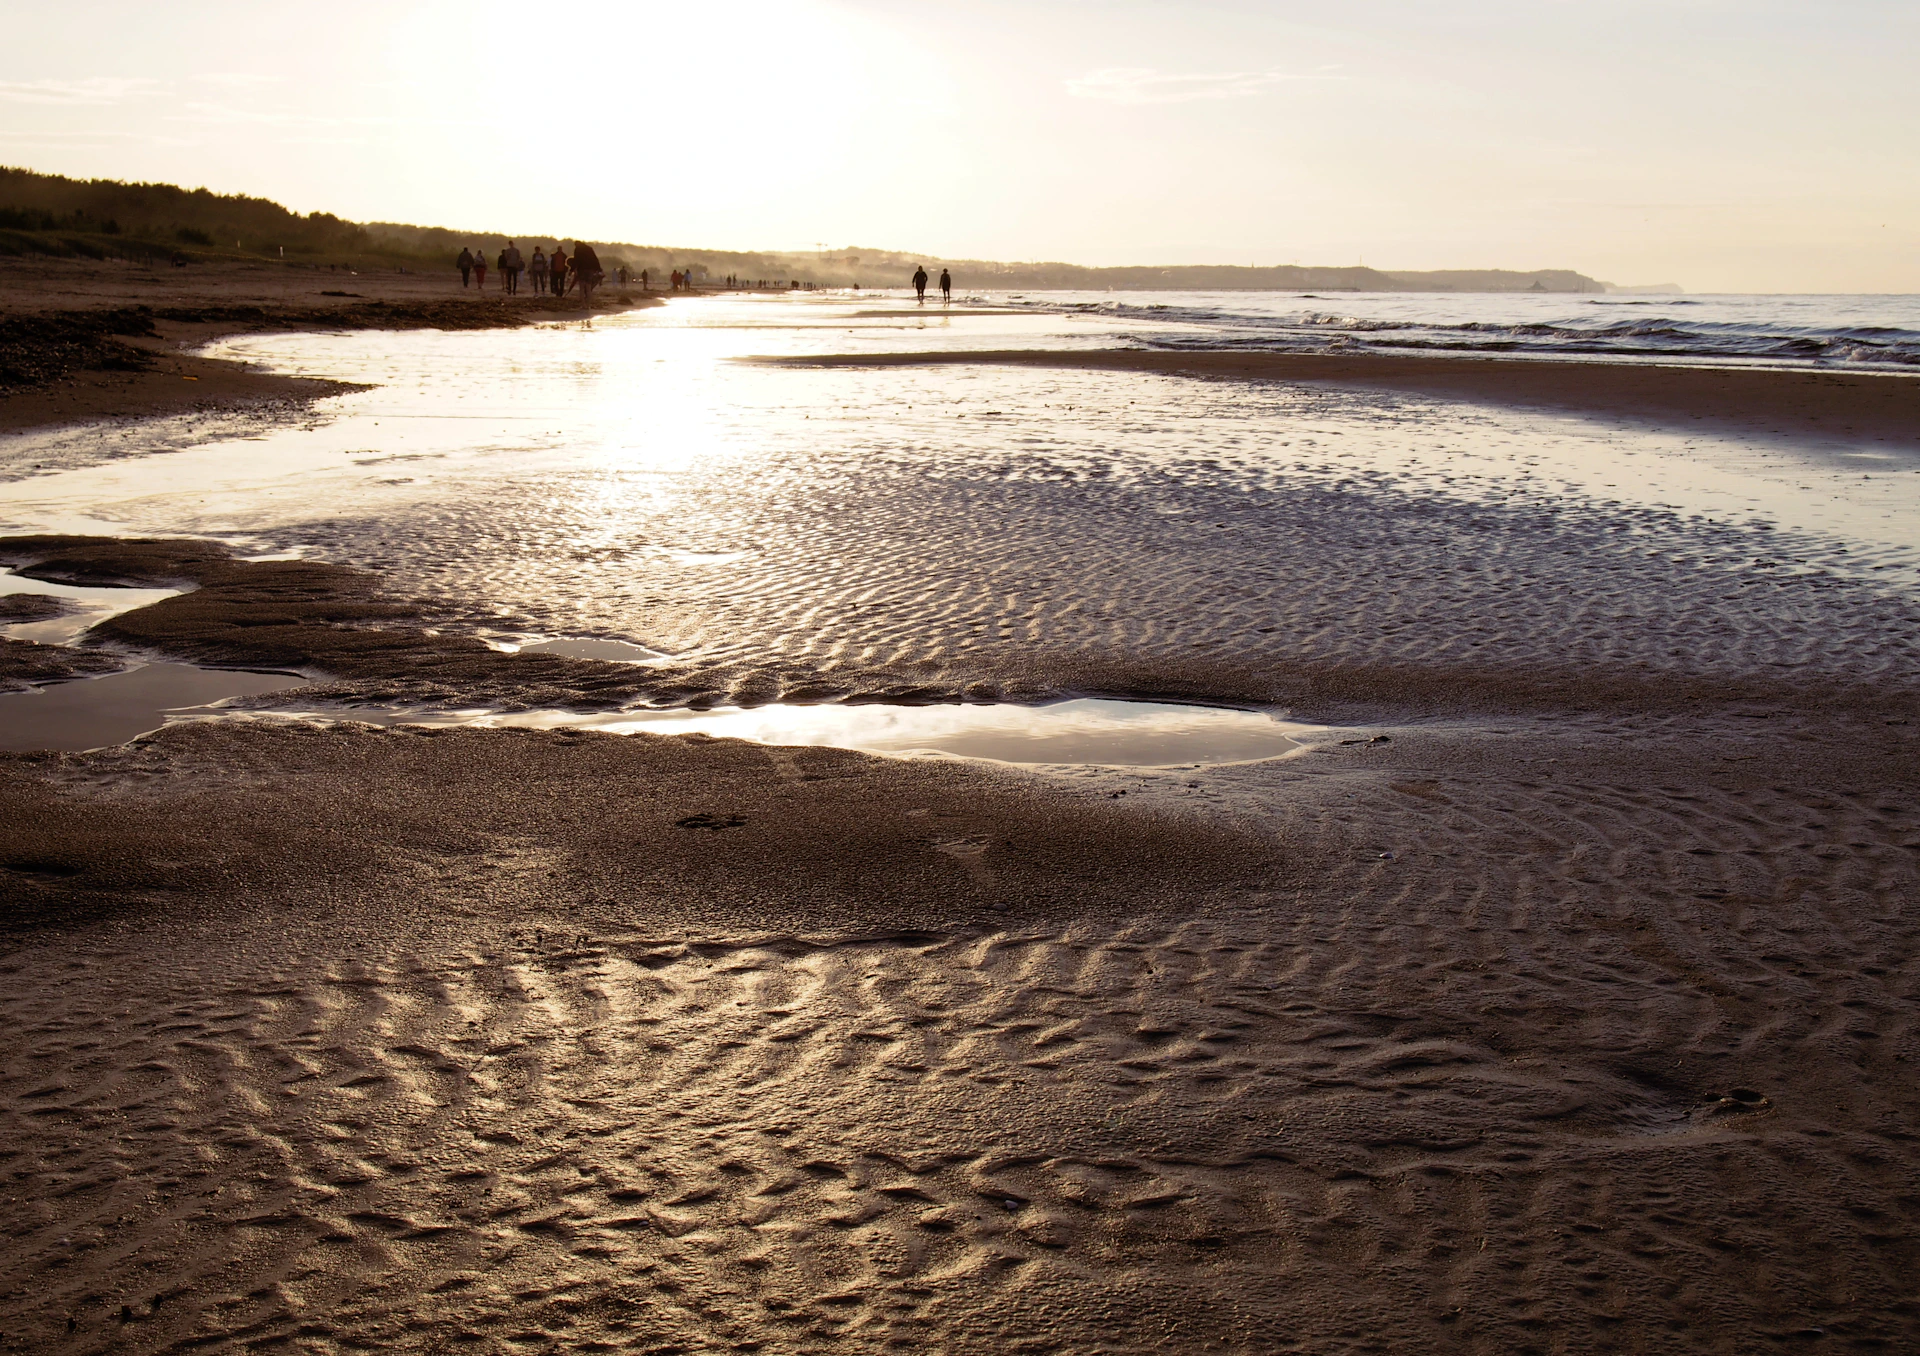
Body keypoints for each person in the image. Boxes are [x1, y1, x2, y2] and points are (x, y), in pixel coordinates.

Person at [570, 240, 602, 308]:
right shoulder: (589, 248)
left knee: (581, 288)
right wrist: (599, 269)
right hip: (590, 270)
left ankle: (583, 305)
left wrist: (572, 270)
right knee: (588, 288)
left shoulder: (577, 249)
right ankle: (588, 305)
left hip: (582, 270)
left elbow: (576, 260)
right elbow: (595, 259)